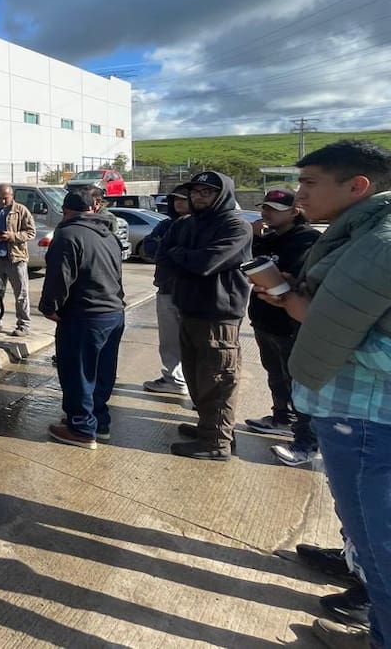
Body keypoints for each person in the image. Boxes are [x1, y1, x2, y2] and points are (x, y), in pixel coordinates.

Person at [254, 140, 391, 649]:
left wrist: (300, 308)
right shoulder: (356, 235)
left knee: (382, 551)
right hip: (351, 414)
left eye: (310, 183)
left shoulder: (381, 242)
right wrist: (297, 293)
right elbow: (347, 302)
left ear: (357, 186)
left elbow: (360, 331)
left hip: (369, 420)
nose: (298, 194)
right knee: (370, 542)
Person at [155, 170, 252, 461]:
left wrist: (179, 255)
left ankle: (217, 443)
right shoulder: (188, 224)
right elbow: (159, 253)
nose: (198, 197)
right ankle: (209, 428)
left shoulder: (236, 226)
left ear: (221, 195)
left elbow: (207, 263)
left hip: (218, 316)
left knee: (218, 379)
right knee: (198, 379)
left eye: (206, 192)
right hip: (189, 309)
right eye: (195, 192)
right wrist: (181, 255)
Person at [41, 187, 127, 449]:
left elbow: (59, 277)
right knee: (102, 373)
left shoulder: (67, 234)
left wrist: (50, 307)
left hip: (84, 315)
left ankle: (81, 428)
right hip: (112, 312)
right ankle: (99, 423)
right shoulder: (109, 234)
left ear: (66, 211)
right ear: (93, 208)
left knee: (78, 374)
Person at [242, 188, 320, 466]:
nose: (266, 213)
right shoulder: (267, 238)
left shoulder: (306, 239)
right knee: (275, 375)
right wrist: (253, 237)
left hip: (291, 322)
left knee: (299, 384)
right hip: (265, 320)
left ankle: (306, 442)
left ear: (294, 211)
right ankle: (280, 418)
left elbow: (294, 275)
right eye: (265, 207)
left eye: (274, 209)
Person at [141, 186, 191, 396]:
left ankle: (191, 380)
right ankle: (174, 378)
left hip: (191, 292)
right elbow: (150, 247)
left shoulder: (201, 226)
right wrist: (173, 251)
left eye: (183, 199)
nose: (179, 203)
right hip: (166, 289)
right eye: (175, 199)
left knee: (193, 341)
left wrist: (169, 250)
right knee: (169, 339)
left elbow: (195, 257)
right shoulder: (165, 225)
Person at [0, 184, 37, 338]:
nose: (2, 201)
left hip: (15, 258)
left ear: (12, 196)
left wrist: (12, 236)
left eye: (5, 198)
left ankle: (23, 324)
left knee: (21, 293)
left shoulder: (21, 211)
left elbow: (31, 232)